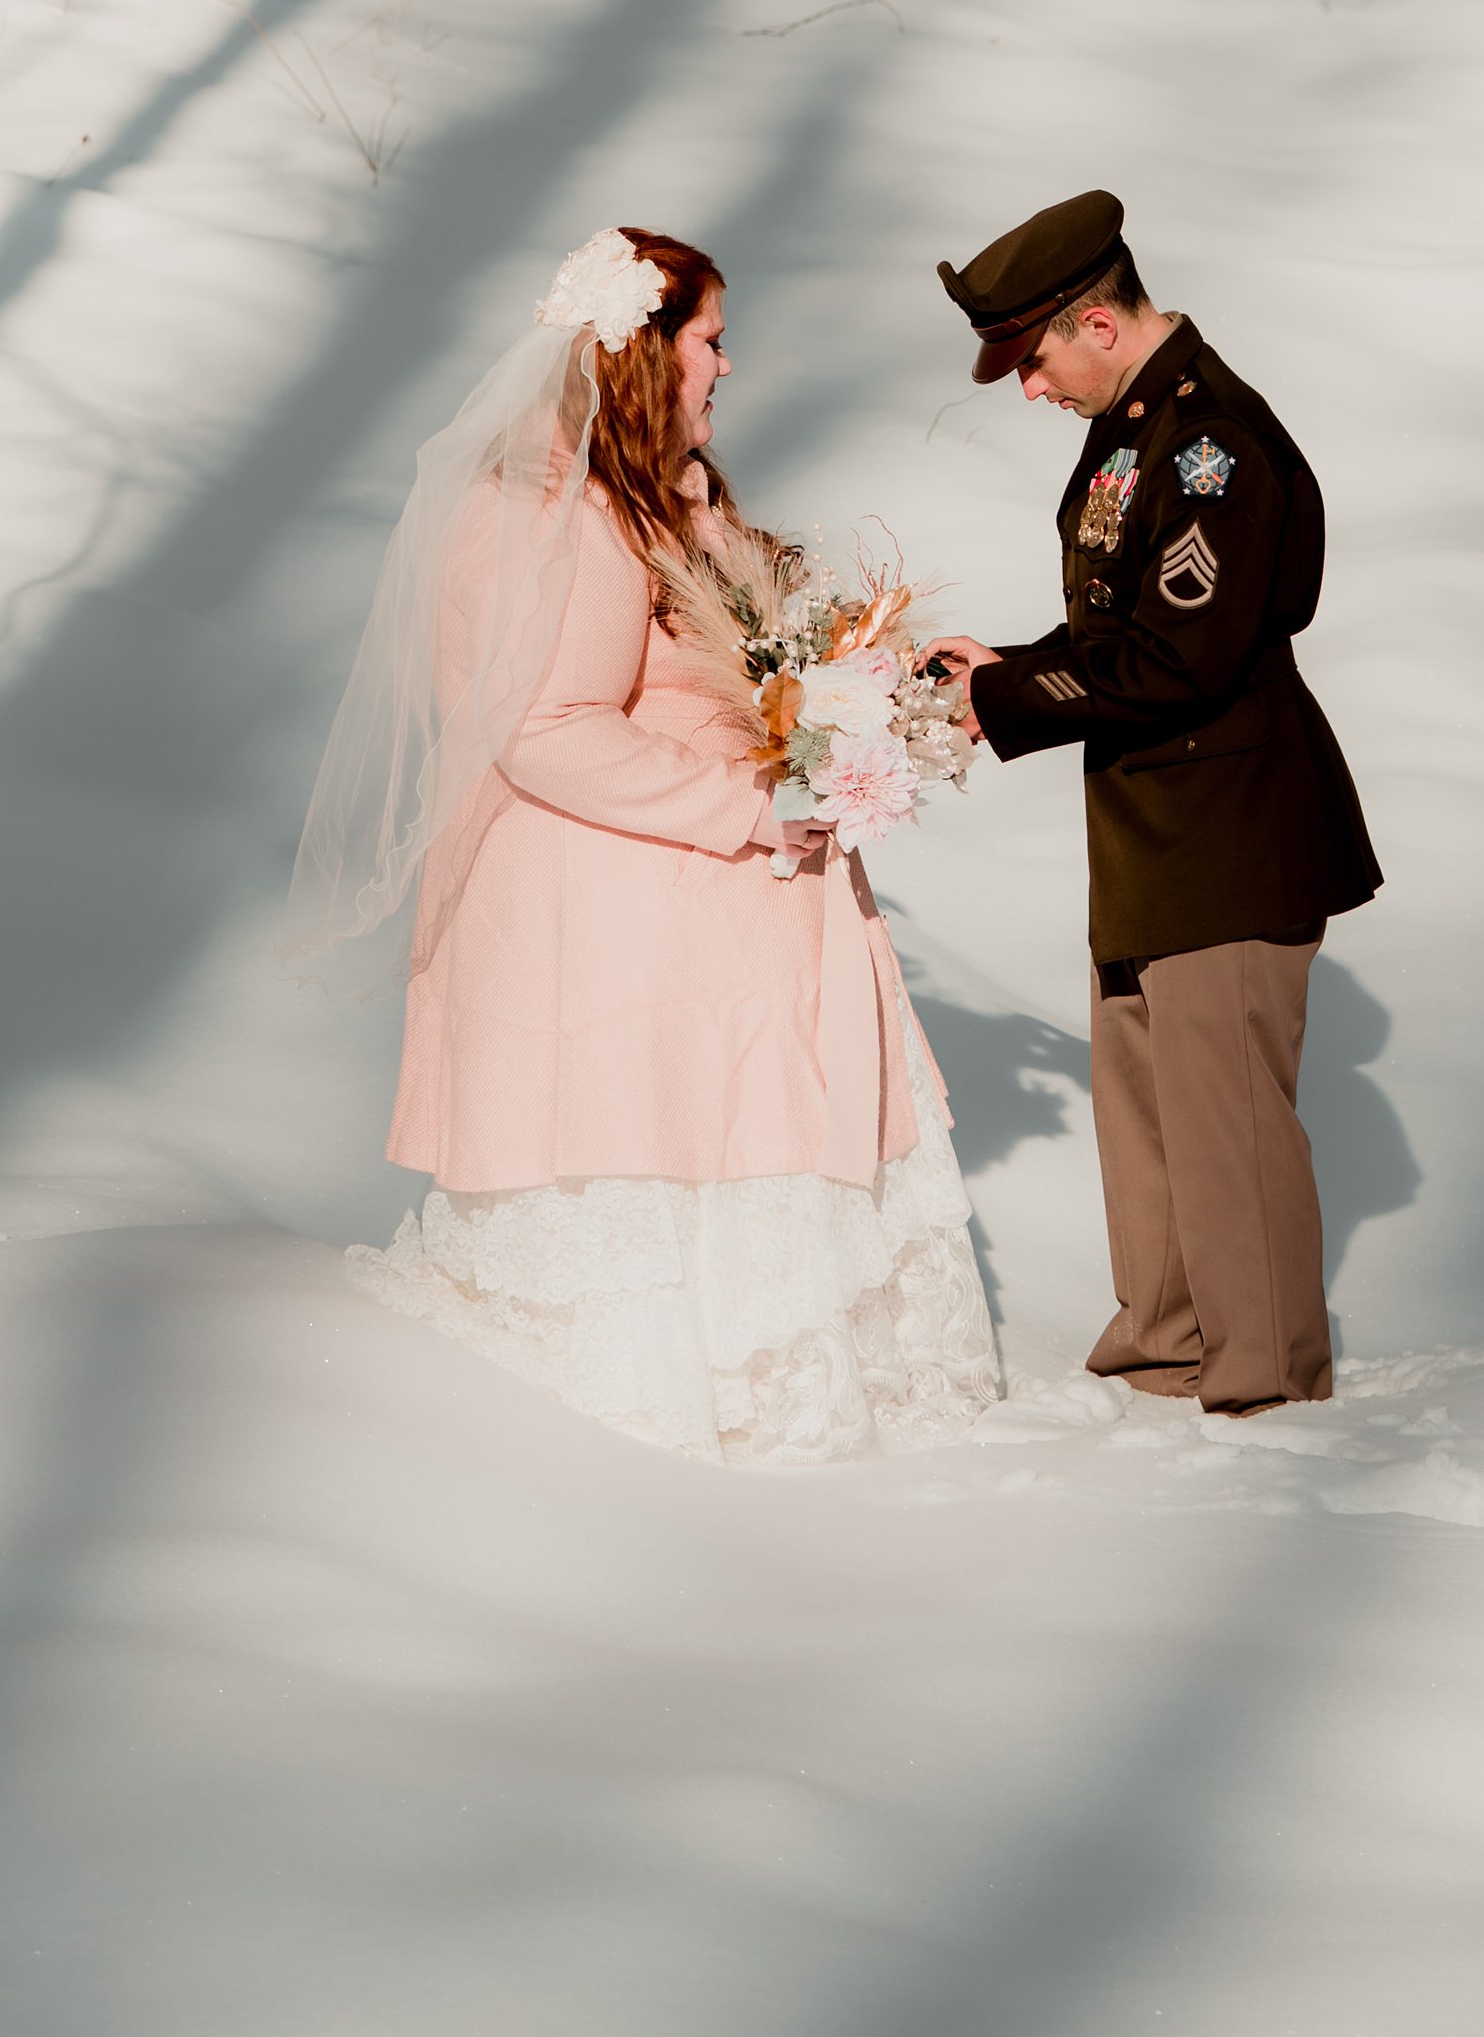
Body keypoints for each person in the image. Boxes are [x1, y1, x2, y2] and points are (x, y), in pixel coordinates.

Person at [289, 224, 1000, 1464]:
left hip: (707, 923)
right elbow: (549, 732)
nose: (728, 367)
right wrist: (753, 807)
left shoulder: (661, 498)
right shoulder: (550, 512)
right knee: (662, 1202)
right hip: (614, 924)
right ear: (645, 351)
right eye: (713, 342)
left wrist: (849, 709)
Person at [927, 188, 1380, 1417]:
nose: (1027, 387)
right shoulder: (1140, 426)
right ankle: (1168, 1343)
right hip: (1155, 826)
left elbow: (1186, 657)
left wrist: (1015, 698)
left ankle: (1265, 1374)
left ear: (1097, 323)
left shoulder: (1209, 440)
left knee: (1225, 1114)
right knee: (1150, 1105)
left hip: (1227, 826)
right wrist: (1002, 673)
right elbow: (1128, 630)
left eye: (1030, 359)